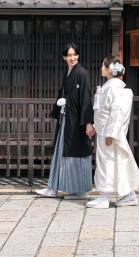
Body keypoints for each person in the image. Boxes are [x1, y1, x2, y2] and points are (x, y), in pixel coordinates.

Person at [35, 43, 95, 199]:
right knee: (61, 153)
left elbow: (87, 99)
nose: (72, 58)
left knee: (76, 155)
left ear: (78, 56)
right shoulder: (68, 73)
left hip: (77, 123)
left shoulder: (82, 73)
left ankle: (80, 191)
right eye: (69, 55)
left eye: (74, 54)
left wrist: (88, 122)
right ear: (64, 57)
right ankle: (53, 188)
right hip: (67, 120)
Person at [86, 55, 139, 209]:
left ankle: (104, 196)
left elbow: (116, 111)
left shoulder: (112, 87)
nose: (101, 68)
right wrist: (95, 126)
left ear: (110, 70)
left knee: (107, 163)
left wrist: (111, 133)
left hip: (108, 133)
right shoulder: (112, 86)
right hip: (106, 131)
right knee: (118, 161)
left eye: (103, 66)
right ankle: (129, 194)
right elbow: (103, 112)